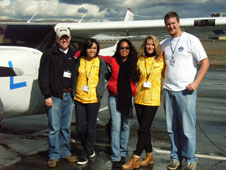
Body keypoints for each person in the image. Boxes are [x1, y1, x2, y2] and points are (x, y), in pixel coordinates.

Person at [161, 12, 209, 170]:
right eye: (168, 24)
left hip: (185, 92)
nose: (171, 26)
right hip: (168, 91)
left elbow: (205, 62)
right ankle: (175, 157)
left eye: (173, 23)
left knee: (187, 129)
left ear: (179, 22)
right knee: (171, 128)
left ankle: (190, 159)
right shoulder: (165, 43)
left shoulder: (191, 40)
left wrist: (195, 84)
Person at [122, 36, 165, 170]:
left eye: (152, 44)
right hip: (139, 98)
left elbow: (169, 76)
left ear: (156, 46)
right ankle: (149, 156)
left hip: (152, 100)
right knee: (145, 130)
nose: (150, 47)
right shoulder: (139, 60)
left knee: (143, 129)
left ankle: (135, 157)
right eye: (147, 44)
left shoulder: (162, 60)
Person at [38, 26, 78, 168]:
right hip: (54, 96)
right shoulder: (49, 54)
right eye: (61, 37)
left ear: (70, 38)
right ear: (57, 39)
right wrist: (47, 95)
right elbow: (43, 76)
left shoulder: (74, 54)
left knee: (65, 127)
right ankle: (54, 154)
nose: (64, 40)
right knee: (54, 127)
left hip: (69, 94)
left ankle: (65, 152)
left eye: (66, 37)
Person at [101, 39, 140, 169]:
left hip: (128, 98)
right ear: (118, 49)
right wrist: (78, 53)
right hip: (114, 98)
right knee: (116, 126)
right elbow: (94, 54)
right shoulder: (112, 61)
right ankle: (116, 155)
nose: (124, 50)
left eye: (127, 48)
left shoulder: (135, 63)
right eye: (122, 48)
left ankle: (123, 151)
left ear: (130, 50)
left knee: (125, 126)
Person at [73, 38, 107, 165]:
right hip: (79, 98)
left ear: (97, 50)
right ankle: (89, 148)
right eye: (89, 47)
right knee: (80, 128)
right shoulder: (79, 61)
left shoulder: (100, 62)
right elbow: (75, 77)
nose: (92, 50)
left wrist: (100, 93)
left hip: (93, 99)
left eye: (94, 48)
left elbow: (103, 78)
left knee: (91, 129)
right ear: (85, 49)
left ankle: (86, 153)